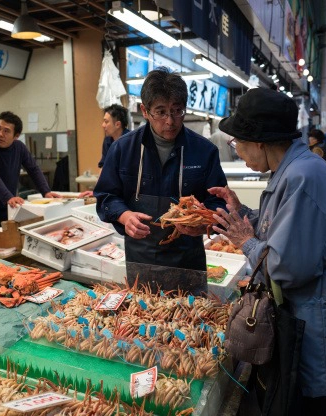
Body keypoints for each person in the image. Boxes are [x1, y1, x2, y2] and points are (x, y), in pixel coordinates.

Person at [209, 87, 326, 416]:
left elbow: (286, 266)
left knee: (300, 408)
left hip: (311, 329)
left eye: (237, 143)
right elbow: (280, 229)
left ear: (259, 141)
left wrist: (245, 241)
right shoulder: (293, 170)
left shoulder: (304, 177)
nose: (237, 151)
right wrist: (243, 212)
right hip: (298, 321)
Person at [94, 67, 227, 282]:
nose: (170, 121)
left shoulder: (204, 151)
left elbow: (217, 202)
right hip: (141, 260)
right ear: (145, 111)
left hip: (188, 259)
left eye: (177, 110)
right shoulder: (122, 149)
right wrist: (124, 215)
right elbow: (106, 196)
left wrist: (205, 222)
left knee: (192, 314)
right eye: (161, 111)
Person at [0, 111, 60, 242]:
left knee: (6, 247)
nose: (0, 134)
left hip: (6, 208)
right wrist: (8, 196)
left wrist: (46, 192)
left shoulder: (19, 148)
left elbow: (33, 169)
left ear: (16, 136)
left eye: (6, 131)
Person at [98, 104, 130, 170]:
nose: (103, 125)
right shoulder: (108, 140)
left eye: (106, 122)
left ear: (117, 124)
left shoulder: (131, 141)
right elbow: (103, 165)